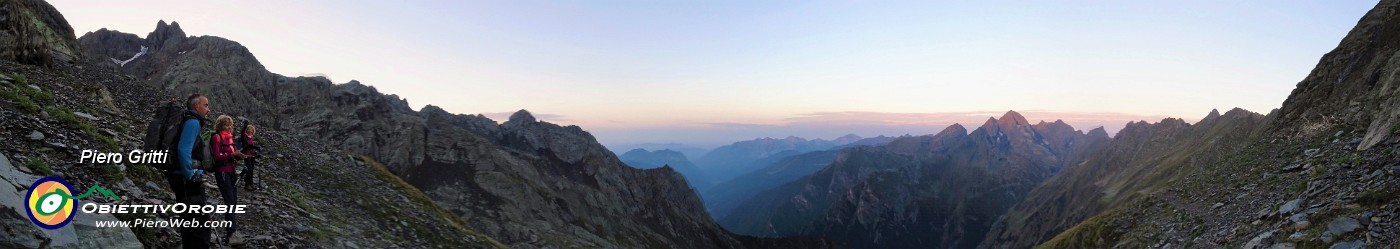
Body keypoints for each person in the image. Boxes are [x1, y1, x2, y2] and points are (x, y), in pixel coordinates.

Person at [171, 93, 211, 248]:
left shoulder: (186, 120)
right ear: (196, 106)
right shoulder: (193, 122)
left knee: (188, 221)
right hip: (186, 180)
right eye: (206, 105)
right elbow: (183, 149)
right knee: (200, 224)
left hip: (178, 176)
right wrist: (191, 175)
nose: (208, 109)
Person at [210, 115, 247, 244]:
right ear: (220, 126)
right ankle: (231, 234)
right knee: (230, 202)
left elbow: (232, 155)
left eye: (230, 125)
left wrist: (241, 155)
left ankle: (231, 232)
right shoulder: (217, 137)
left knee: (233, 203)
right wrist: (232, 154)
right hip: (222, 173)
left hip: (231, 173)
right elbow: (217, 156)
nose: (229, 127)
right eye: (226, 125)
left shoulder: (230, 139)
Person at [235, 123, 260, 191]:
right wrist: (245, 126)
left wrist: (255, 152)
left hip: (251, 156)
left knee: (251, 170)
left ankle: (250, 183)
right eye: (249, 129)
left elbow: (251, 147)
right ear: (246, 130)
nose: (250, 131)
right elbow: (242, 132)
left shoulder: (251, 138)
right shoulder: (244, 137)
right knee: (249, 169)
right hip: (246, 155)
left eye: (252, 130)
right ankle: (247, 184)